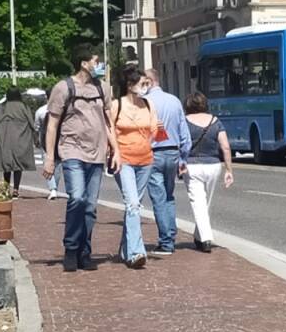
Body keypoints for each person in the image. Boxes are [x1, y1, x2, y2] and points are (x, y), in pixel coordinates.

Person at [42, 45, 121, 273]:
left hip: (96, 153)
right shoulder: (63, 88)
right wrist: (49, 157)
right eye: (96, 61)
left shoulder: (102, 88)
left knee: (90, 206)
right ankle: (71, 248)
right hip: (71, 150)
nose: (99, 66)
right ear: (84, 63)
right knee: (76, 197)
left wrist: (115, 150)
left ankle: (84, 251)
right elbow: (52, 125)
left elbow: (108, 123)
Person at [111, 67, 161, 269]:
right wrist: (115, 152)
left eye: (147, 83)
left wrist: (150, 139)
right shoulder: (117, 105)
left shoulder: (149, 105)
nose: (146, 87)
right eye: (142, 84)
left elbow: (155, 130)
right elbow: (110, 130)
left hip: (145, 160)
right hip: (124, 161)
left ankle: (125, 249)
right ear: (130, 86)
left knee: (134, 206)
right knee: (132, 204)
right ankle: (136, 253)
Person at [143, 68, 190, 256]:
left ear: (148, 82)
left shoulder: (145, 102)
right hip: (173, 152)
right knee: (169, 195)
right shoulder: (174, 101)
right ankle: (170, 234)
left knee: (158, 198)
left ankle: (166, 241)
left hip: (152, 153)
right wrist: (183, 157)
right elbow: (184, 132)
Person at [181, 91, 233, 253]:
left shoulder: (184, 122)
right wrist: (229, 169)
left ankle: (206, 238)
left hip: (192, 165)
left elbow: (180, 143)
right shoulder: (215, 121)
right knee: (205, 203)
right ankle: (199, 236)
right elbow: (225, 146)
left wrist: (179, 161)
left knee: (199, 203)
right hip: (213, 165)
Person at [0, 88, 36, 197]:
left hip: (4, 138)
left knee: (6, 165)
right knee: (18, 165)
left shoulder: (1, 107)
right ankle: (16, 188)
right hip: (20, 139)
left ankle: (6, 188)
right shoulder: (24, 107)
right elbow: (31, 123)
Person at [34, 90, 61, 200]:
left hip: (45, 140)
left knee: (47, 162)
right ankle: (54, 188)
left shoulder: (41, 111)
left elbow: (37, 127)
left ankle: (53, 188)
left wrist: (36, 140)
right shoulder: (62, 109)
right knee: (58, 165)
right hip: (60, 140)